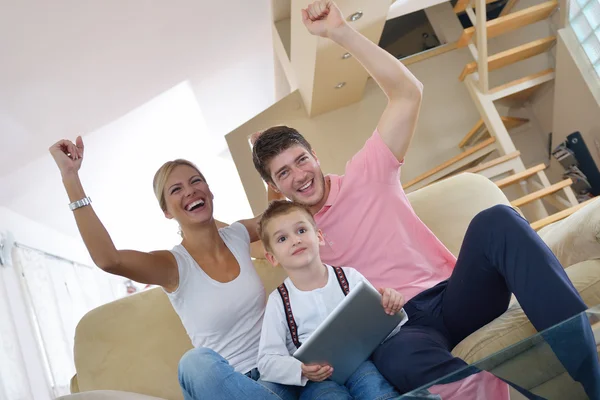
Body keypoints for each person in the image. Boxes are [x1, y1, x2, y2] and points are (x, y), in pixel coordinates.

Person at [251, 1, 600, 398]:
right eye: (283, 173)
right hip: (400, 328)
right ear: (276, 188)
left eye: (300, 160)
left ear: (314, 155)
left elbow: (407, 93)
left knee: (497, 219)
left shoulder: (368, 171)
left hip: (456, 295)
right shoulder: (297, 236)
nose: (299, 174)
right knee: (394, 358)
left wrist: (340, 32)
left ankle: (592, 374)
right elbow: (256, 228)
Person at [48, 137, 298, 400]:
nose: (189, 191)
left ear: (210, 192)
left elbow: (280, 217)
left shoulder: (237, 235)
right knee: (195, 363)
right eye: (176, 189)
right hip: (226, 388)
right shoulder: (173, 266)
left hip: (276, 373)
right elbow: (108, 258)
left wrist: (268, 156)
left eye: (195, 181)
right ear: (167, 211)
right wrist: (70, 177)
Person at [256, 200, 404, 399]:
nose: (295, 240)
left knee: (377, 391)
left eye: (301, 231)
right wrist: (299, 369)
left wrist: (391, 306)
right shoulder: (278, 301)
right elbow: (267, 361)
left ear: (319, 237)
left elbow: (385, 327)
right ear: (272, 258)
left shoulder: (349, 278)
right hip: (315, 383)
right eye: (282, 238)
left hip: (359, 365)